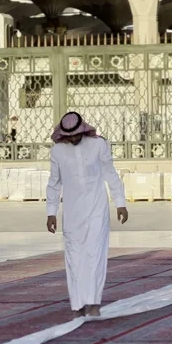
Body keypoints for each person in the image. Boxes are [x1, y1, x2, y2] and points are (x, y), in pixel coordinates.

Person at [46, 111, 128, 317]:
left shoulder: (98, 145)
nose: (73, 138)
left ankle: (93, 302)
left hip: (96, 208)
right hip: (72, 211)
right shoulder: (57, 151)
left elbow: (110, 173)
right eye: (69, 136)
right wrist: (51, 212)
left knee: (95, 254)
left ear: (82, 130)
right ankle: (78, 304)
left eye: (76, 134)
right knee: (74, 256)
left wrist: (120, 203)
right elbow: (54, 183)